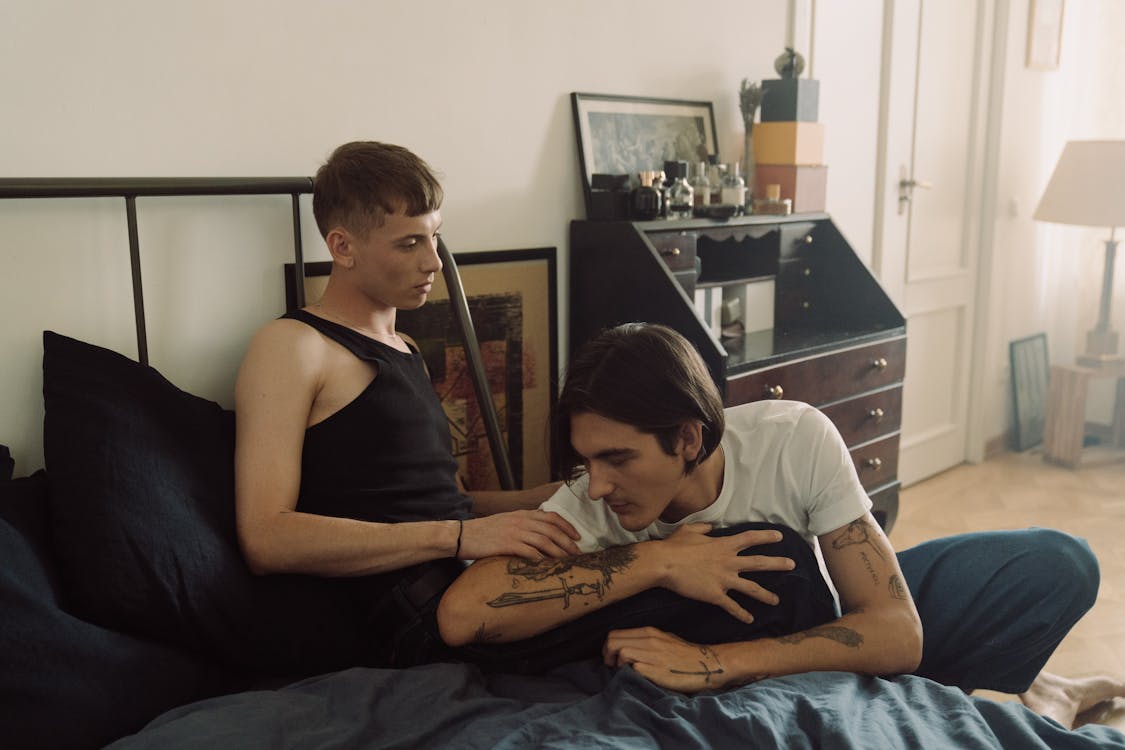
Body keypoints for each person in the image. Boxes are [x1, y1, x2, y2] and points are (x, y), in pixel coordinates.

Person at [438, 322, 1125, 729]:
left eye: (617, 458)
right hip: (806, 655)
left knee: (1059, 561)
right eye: (585, 460)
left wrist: (716, 665)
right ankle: (1030, 692)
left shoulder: (791, 437)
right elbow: (463, 616)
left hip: (831, 616)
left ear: (686, 438)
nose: (598, 483)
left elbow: (892, 628)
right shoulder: (594, 499)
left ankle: (1034, 688)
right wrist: (656, 561)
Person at [233, 141, 581, 666]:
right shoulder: (293, 347)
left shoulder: (408, 349)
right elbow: (266, 538)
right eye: (409, 243)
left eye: (435, 236)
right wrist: (463, 536)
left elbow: (444, 506)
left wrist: (542, 499)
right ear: (343, 247)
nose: (433, 261)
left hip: (463, 577)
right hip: (411, 609)